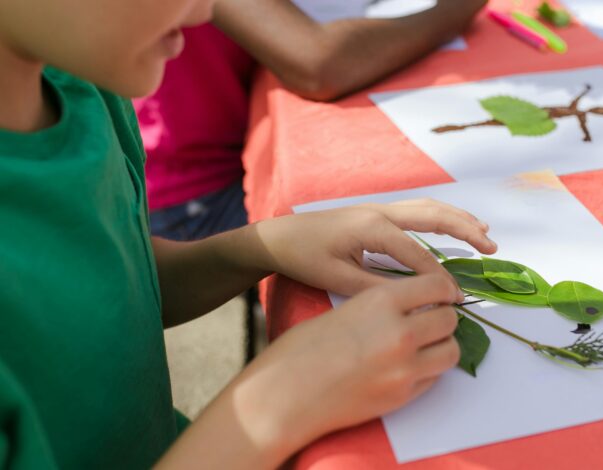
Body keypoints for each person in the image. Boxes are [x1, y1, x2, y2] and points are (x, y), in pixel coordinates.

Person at [0, 0, 497, 467]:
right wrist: (276, 404)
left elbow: (109, 296)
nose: (203, 11)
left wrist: (261, 245)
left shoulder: (84, 88)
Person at [137, 0, 487, 241]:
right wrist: (454, 11)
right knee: (409, 224)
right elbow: (318, 65)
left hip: (203, 158)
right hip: (186, 198)